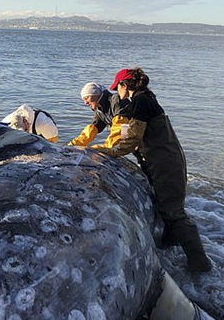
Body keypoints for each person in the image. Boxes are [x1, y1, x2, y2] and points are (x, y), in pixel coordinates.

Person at [96, 68, 212, 273]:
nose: (116, 93)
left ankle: (200, 264)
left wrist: (110, 152)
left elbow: (133, 138)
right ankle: (169, 244)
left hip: (165, 164)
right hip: (165, 161)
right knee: (167, 208)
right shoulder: (146, 98)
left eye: (118, 88)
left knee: (173, 212)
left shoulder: (140, 101)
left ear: (125, 85)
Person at [67, 82, 130, 148]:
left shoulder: (116, 100)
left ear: (96, 94)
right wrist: (72, 146)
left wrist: (107, 147)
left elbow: (121, 125)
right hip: (132, 140)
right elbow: (90, 131)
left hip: (139, 136)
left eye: (86, 98)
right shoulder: (100, 110)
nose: (86, 103)